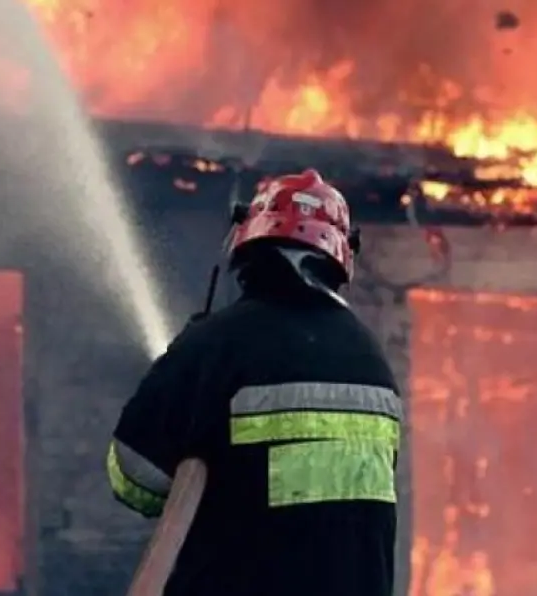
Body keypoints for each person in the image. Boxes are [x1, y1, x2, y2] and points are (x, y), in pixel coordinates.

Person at [107, 169, 402, 596]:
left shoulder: (216, 345)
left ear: (248, 242)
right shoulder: (373, 361)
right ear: (340, 255)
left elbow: (132, 477)